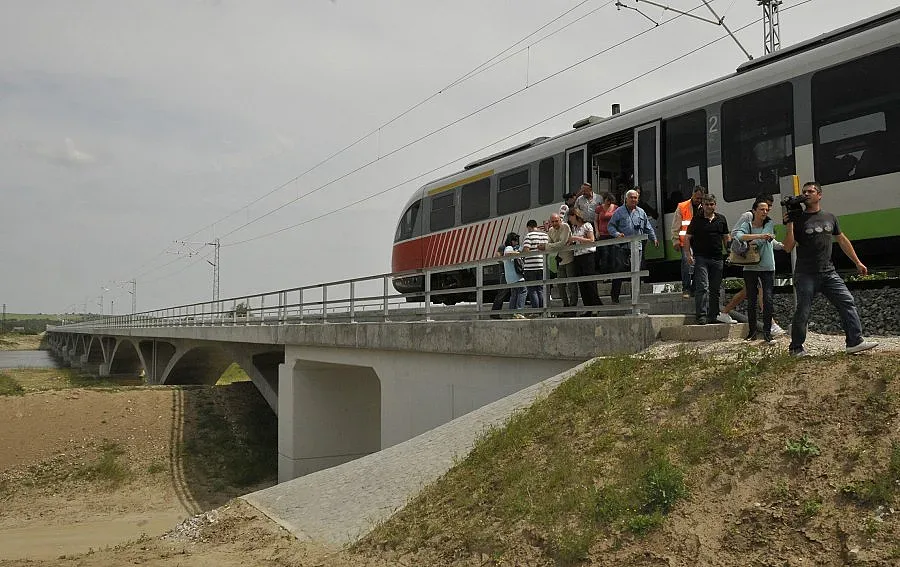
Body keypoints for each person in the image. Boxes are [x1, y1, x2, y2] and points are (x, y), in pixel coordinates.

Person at [781, 182, 877, 356]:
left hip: (828, 272)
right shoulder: (798, 219)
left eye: (811, 191)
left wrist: (857, 262)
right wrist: (790, 225)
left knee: (847, 301)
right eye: (804, 192)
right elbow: (788, 247)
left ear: (819, 195)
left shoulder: (830, 217)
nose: (806, 194)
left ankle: (854, 342)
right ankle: (796, 348)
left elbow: (842, 240)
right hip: (805, 274)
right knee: (803, 310)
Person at [717, 193, 786, 335]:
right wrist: (755, 239)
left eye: (769, 207)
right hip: (751, 259)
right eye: (765, 206)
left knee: (748, 292)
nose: (767, 210)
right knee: (761, 292)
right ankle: (771, 325)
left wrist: (780, 245)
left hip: (761, 260)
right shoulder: (748, 217)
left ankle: (725, 312)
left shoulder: (767, 221)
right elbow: (736, 234)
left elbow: (768, 239)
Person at [734, 199, 777, 343]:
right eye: (762, 209)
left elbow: (761, 239)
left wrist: (752, 240)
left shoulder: (769, 223)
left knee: (768, 299)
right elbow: (739, 236)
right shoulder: (747, 224)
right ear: (754, 211)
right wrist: (759, 236)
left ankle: (767, 333)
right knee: (751, 300)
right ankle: (752, 333)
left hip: (767, 266)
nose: (765, 212)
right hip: (750, 266)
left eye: (767, 210)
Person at [607, 189, 659, 303]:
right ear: (626, 199)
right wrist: (617, 234)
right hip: (622, 247)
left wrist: (654, 238)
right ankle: (614, 297)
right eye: (631, 197)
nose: (633, 200)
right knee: (619, 271)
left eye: (635, 198)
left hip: (637, 247)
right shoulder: (619, 211)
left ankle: (635, 298)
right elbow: (610, 226)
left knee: (636, 271)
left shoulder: (641, 212)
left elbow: (648, 227)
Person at [685, 194, 730, 325]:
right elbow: (687, 237)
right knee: (702, 287)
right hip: (701, 258)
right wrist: (688, 254)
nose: (709, 207)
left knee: (715, 289)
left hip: (717, 258)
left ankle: (714, 315)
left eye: (712, 204)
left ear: (715, 205)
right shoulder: (696, 220)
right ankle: (701, 315)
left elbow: (726, 237)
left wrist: (730, 252)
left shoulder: (721, 219)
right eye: (707, 204)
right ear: (702, 205)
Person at [671, 186, 705, 298]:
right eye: (697, 198)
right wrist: (675, 240)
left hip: (700, 241)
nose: (698, 200)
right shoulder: (682, 206)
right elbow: (676, 224)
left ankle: (694, 288)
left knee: (699, 264)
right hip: (685, 241)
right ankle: (686, 288)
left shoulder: (705, 207)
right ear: (692, 195)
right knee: (686, 262)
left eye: (700, 198)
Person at [542, 212, 578, 315]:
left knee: (571, 285)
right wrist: (551, 246)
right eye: (552, 222)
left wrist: (548, 246)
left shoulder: (565, 226)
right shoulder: (551, 230)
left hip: (569, 258)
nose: (554, 223)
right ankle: (566, 306)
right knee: (560, 285)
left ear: (560, 220)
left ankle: (573, 308)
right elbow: (551, 244)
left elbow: (562, 243)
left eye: (556, 221)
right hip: (560, 260)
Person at [567, 209, 602, 314]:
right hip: (578, 256)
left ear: (575, 216)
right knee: (582, 283)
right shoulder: (574, 228)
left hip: (587, 255)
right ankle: (588, 307)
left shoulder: (587, 225)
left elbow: (591, 240)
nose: (569, 219)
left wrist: (577, 238)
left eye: (570, 217)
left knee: (590, 281)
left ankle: (596, 305)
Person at [521, 219, 550, 310]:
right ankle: (543, 310)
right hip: (542, 265)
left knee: (532, 290)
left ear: (529, 227)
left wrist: (522, 252)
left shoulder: (529, 236)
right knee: (541, 289)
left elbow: (526, 250)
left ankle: (536, 311)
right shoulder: (545, 235)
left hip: (530, 267)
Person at [500, 232, 527, 319]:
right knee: (523, 291)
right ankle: (519, 312)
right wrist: (519, 253)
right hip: (516, 277)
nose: (516, 242)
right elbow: (508, 253)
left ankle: (512, 313)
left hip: (510, 278)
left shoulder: (508, 248)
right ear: (511, 241)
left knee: (514, 294)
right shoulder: (509, 248)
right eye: (515, 241)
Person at [594, 192, 618, 272]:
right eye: (607, 200)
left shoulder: (616, 208)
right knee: (604, 254)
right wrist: (597, 231)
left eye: (610, 201)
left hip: (613, 234)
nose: (609, 202)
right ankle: (604, 273)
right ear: (604, 200)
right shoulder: (599, 208)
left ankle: (613, 272)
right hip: (602, 234)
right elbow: (595, 220)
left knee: (613, 254)